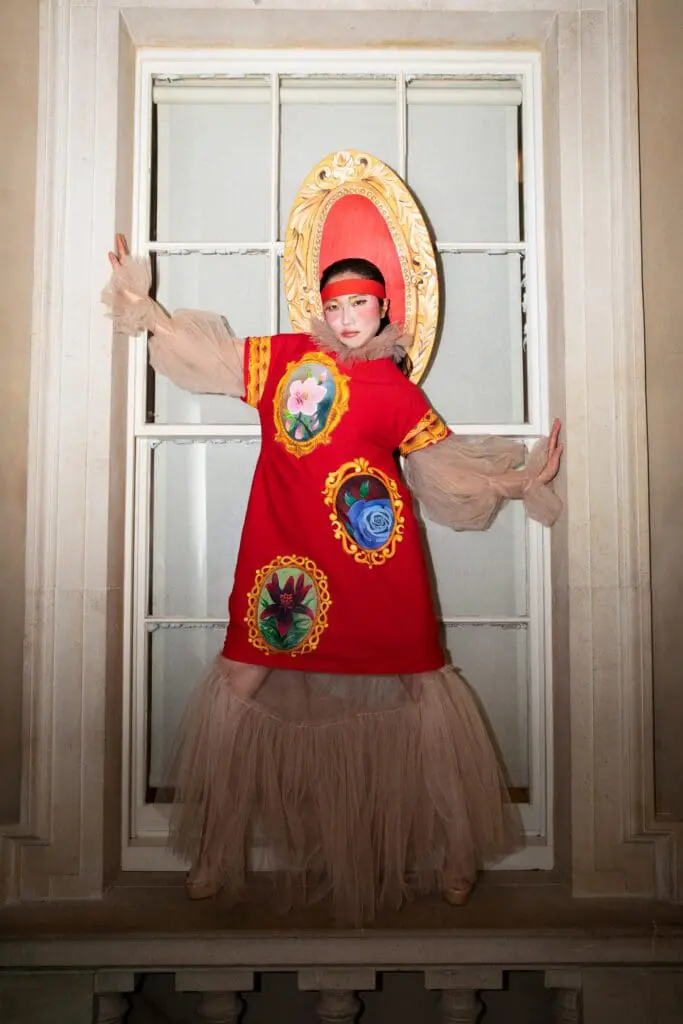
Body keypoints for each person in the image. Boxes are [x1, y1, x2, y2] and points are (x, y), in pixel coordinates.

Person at [103, 233, 563, 925]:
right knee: (238, 682)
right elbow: (208, 358)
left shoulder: (396, 391)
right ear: (318, 309)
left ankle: (455, 853)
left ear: (383, 309)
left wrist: (521, 478)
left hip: (378, 566)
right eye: (334, 304)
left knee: (421, 686)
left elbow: (446, 473)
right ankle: (216, 852)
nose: (346, 316)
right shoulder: (284, 360)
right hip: (281, 559)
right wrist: (146, 309)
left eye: (359, 303)